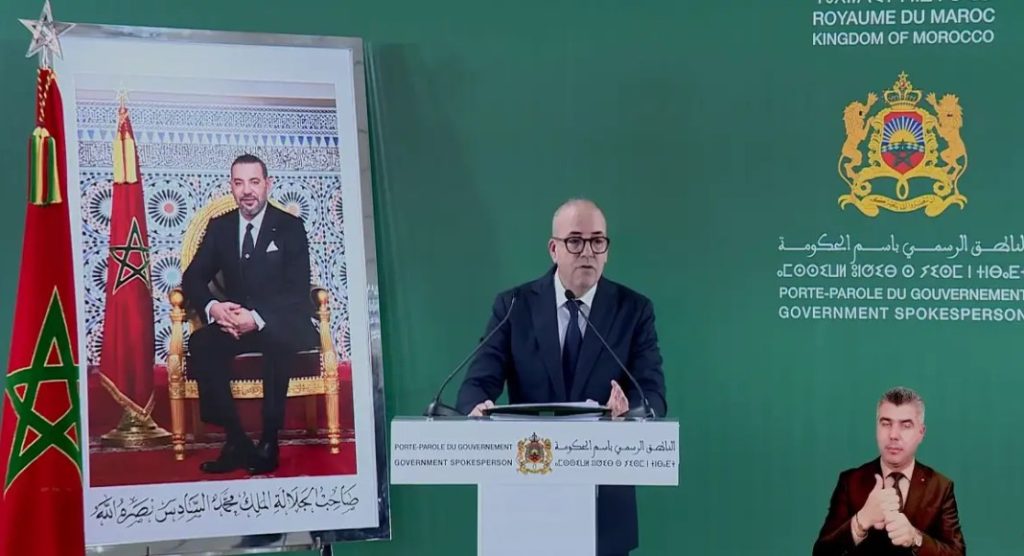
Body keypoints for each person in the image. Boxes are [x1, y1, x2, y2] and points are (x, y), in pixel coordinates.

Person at [456, 198, 667, 556]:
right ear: (554, 249)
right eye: (575, 241)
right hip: (527, 488)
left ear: (606, 250)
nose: (587, 251)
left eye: (597, 241)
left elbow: (653, 395)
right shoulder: (514, 306)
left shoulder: (634, 309)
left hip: (604, 502)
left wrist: (629, 411)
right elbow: (477, 382)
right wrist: (476, 407)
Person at [182, 153, 316, 475]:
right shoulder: (221, 227)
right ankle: (236, 440)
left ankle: (269, 441)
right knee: (202, 343)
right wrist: (215, 309)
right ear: (231, 186)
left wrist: (256, 318)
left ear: (268, 184)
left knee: (277, 340)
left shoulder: (290, 227)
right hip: (235, 323)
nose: (247, 191)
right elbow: (192, 278)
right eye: (239, 183)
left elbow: (298, 290)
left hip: (281, 321)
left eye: (254, 182)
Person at [813, 387, 966, 555]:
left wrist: (916, 538)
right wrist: (862, 520)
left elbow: (957, 553)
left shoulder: (940, 487)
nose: (893, 435)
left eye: (906, 425)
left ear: (921, 433)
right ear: (876, 428)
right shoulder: (850, 481)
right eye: (886, 424)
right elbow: (821, 553)